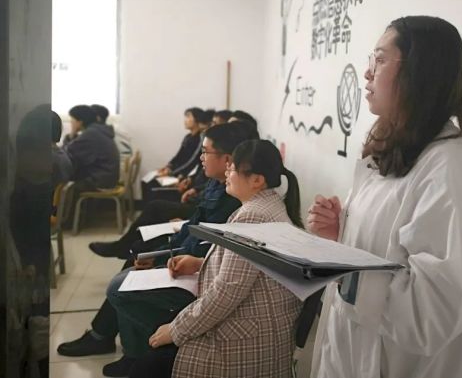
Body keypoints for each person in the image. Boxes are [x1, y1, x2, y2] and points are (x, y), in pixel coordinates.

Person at [307, 16, 462, 378]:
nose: (367, 72)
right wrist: (340, 236)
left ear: (419, 72)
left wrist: (340, 267)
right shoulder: (391, 153)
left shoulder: (453, 170)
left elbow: (429, 314)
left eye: (380, 60)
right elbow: (382, 251)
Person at [56, 122, 255, 376]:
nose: (201, 157)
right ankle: (122, 347)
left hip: (197, 270)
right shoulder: (218, 185)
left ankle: (127, 347)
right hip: (188, 257)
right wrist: (163, 251)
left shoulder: (233, 197)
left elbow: (209, 250)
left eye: (206, 152)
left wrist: (167, 255)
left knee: (123, 285)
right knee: (135, 261)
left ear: (227, 159)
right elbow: (194, 227)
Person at [127, 139, 303, 378]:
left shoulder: (253, 217)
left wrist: (176, 330)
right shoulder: (265, 207)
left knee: (148, 365)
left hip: (246, 342)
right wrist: (200, 264)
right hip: (252, 325)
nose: (227, 172)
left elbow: (227, 292)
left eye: (233, 168)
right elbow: (248, 271)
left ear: (256, 180)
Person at [64, 104, 120, 190]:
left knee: (65, 186)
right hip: (108, 177)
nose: (71, 123)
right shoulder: (98, 130)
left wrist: (71, 135)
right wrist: (71, 137)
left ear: (80, 121)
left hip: (100, 180)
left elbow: (67, 154)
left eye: (72, 120)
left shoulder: (90, 134)